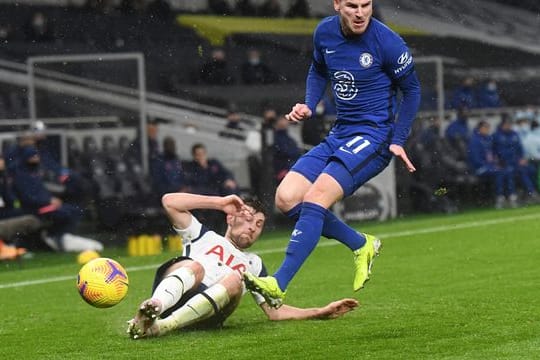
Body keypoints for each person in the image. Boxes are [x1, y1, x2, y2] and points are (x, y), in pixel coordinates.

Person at [243, 0, 421, 307]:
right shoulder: (324, 32)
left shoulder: (388, 42)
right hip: (339, 134)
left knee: (316, 197)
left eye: (366, 4)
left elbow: (413, 90)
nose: (360, 12)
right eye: (352, 5)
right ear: (337, 4)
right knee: (286, 198)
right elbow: (318, 68)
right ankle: (360, 243)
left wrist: (398, 138)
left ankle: (279, 283)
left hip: (374, 137)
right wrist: (309, 104)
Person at [126, 192, 359, 339]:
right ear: (231, 217)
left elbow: (275, 312)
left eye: (258, 224)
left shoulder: (255, 264)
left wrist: (319, 312)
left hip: (207, 315)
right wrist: (219, 203)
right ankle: (154, 307)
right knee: (195, 266)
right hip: (176, 293)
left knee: (235, 278)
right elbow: (169, 202)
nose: (252, 227)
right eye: (248, 218)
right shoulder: (201, 235)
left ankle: (160, 326)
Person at [12, 146, 103, 252]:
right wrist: (48, 201)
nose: (36, 159)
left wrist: (52, 199)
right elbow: (28, 197)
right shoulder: (21, 176)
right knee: (65, 212)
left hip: (45, 204)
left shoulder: (36, 173)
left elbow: (43, 191)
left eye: (37, 156)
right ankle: (54, 235)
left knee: (74, 209)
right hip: (33, 208)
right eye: (33, 156)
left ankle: (59, 235)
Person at [467, 120, 513, 209]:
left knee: (507, 171)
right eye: (485, 128)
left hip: (491, 166)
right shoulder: (474, 141)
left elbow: (494, 154)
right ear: (479, 129)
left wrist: (496, 163)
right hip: (479, 168)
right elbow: (476, 159)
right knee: (499, 172)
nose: (487, 130)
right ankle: (499, 197)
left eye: (488, 128)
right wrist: (490, 166)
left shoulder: (488, 139)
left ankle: (511, 196)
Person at [272, 114, 301, 182]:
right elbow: (285, 152)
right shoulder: (275, 138)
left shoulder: (288, 138)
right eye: (281, 120)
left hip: (291, 167)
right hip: (283, 169)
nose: (284, 122)